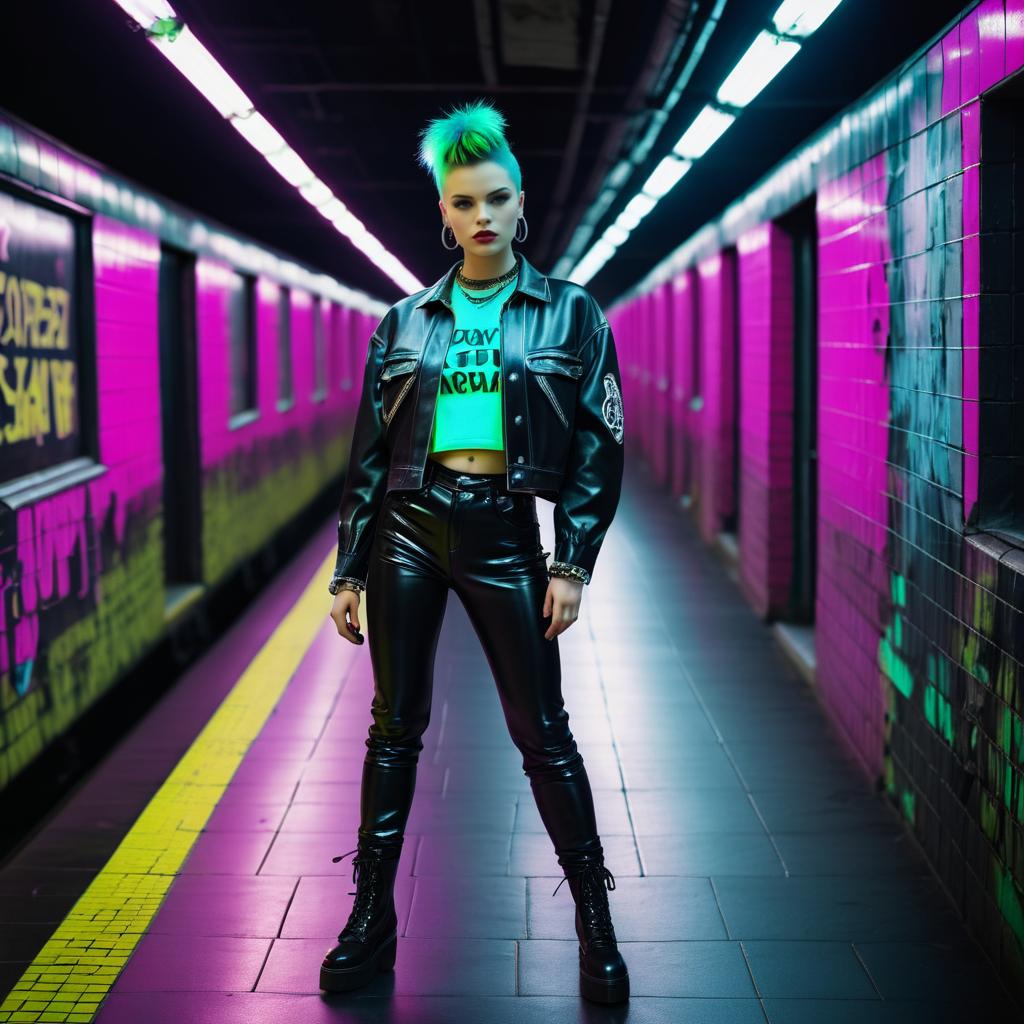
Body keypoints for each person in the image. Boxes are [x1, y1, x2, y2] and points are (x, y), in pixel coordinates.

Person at [319, 98, 627, 1005]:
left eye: (496, 198)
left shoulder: (571, 314)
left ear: (520, 201)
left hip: (502, 528)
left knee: (543, 735)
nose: (481, 216)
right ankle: (370, 918)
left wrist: (571, 560)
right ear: (444, 213)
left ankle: (593, 922)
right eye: (464, 202)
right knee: (393, 728)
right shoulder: (406, 321)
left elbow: (599, 447)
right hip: (409, 530)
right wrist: (347, 566)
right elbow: (370, 452)